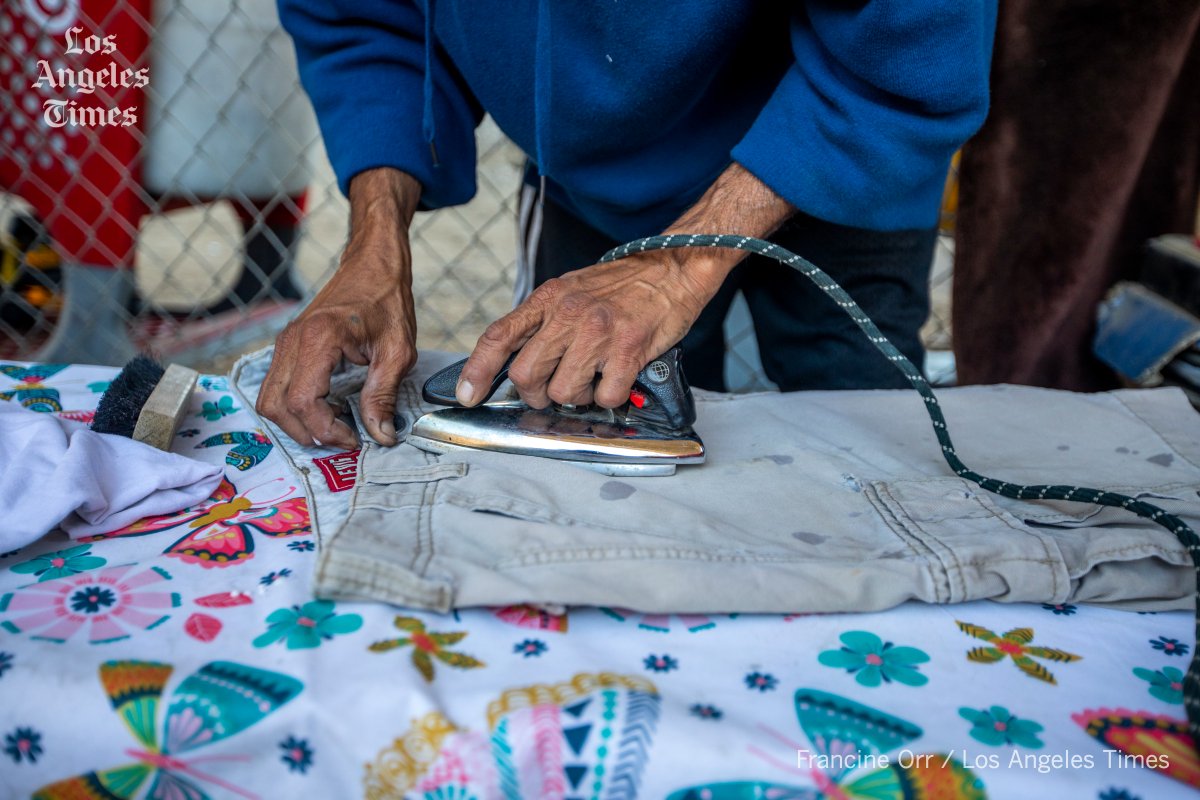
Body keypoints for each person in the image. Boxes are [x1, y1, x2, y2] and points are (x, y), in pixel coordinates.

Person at [261, 1, 998, 451]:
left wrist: (677, 268)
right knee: (592, 420)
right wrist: (373, 248)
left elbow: (913, 34)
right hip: (597, 189)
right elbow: (366, 21)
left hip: (841, 153)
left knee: (867, 451)